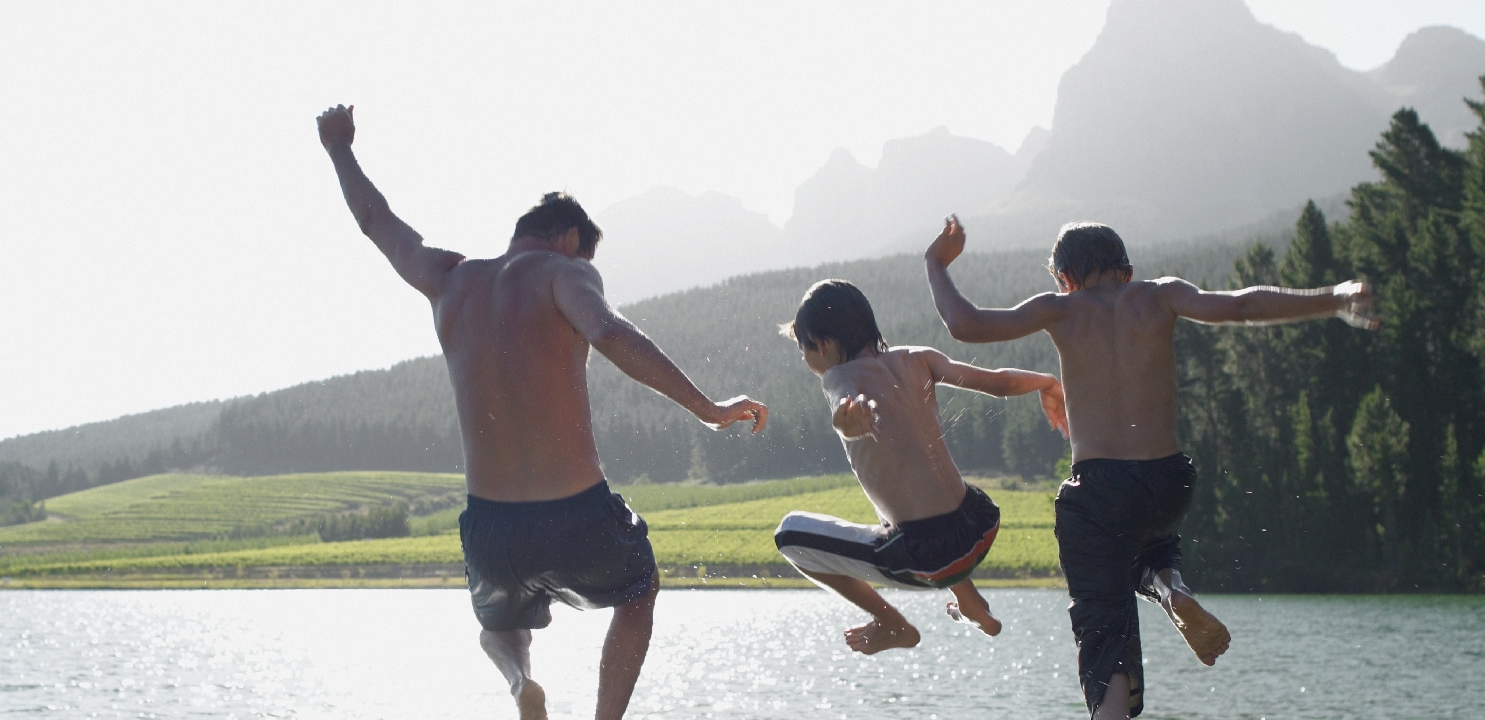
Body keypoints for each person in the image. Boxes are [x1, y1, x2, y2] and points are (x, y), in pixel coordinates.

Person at [316, 104, 769, 720]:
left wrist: (339, 149)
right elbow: (609, 335)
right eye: (587, 258)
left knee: (500, 628)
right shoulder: (562, 273)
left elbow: (377, 221)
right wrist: (707, 409)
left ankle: (519, 683)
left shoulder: (448, 280)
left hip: (491, 527)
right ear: (567, 239)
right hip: (576, 514)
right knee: (638, 590)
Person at [923, 216, 1377, 719]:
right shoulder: (1161, 295)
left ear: (1064, 278)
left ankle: (1124, 685)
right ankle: (1172, 588)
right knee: (1150, 540)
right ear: (1128, 271)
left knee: (1104, 623)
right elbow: (1244, 305)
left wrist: (935, 264)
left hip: (1099, 487)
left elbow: (965, 325)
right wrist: (1335, 297)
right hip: (1168, 480)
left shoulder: (1060, 308)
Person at [774, 279, 1067, 655]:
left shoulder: (838, 378)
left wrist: (849, 421)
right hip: (979, 525)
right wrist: (1047, 382)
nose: (806, 361)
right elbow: (998, 383)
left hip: (927, 558)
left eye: (803, 350)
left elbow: (842, 407)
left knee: (788, 536)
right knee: (912, 494)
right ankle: (972, 603)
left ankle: (893, 625)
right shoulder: (917, 356)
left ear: (823, 345)